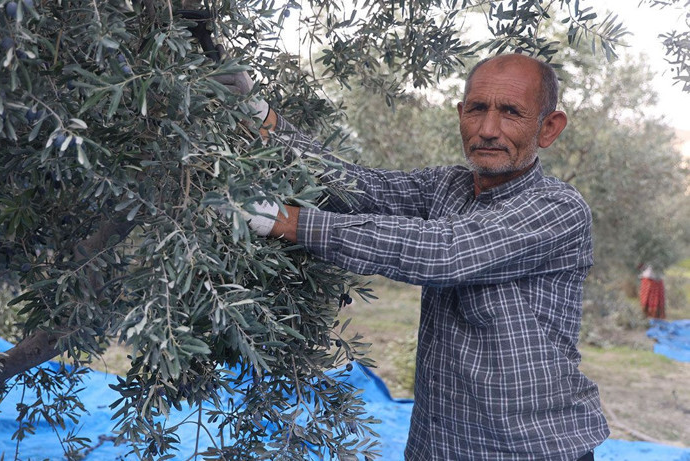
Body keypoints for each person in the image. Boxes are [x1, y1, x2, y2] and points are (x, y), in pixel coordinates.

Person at [214, 53, 609, 460]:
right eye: (477, 109)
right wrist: (263, 119)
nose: (489, 129)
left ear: (549, 128)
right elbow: (360, 188)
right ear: (461, 114)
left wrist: (285, 221)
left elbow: (444, 251)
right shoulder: (446, 187)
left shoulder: (557, 208)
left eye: (511, 113)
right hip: (437, 446)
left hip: (531, 449)